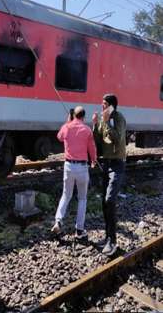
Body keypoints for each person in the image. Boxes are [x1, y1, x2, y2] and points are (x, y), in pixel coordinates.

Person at [51, 106, 97, 239]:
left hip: (69, 166)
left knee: (66, 195)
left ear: (73, 115)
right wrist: (93, 160)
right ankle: (79, 230)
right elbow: (92, 148)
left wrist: (67, 122)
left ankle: (58, 221)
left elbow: (59, 137)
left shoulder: (67, 127)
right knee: (82, 198)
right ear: (83, 116)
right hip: (82, 167)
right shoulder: (87, 129)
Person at [92, 94, 127, 256]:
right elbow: (97, 141)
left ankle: (112, 240)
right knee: (104, 203)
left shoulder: (119, 118)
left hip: (117, 164)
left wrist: (106, 122)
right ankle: (107, 237)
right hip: (105, 164)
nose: (102, 106)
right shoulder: (102, 119)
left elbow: (118, 139)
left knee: (110, 199)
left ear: (112, 106)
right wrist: (95, 125)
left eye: (105, 104)